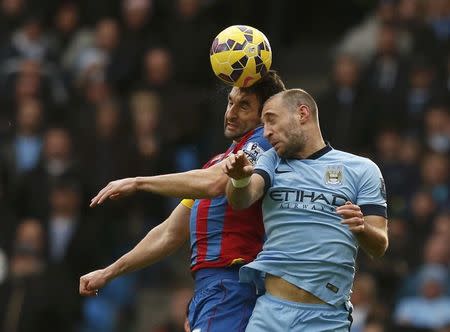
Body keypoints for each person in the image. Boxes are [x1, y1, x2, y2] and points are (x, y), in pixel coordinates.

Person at [79, 71, 286, 331]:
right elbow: (169, 233)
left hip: (234, 284)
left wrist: (139, 182)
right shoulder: (216, 162)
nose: (231, 113)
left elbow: (214, 183)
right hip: (212, 289)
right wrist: (108, 272)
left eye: (244, 106)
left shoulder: (262, 145)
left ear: (265, 116)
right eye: (230, 102)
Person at [223, 88, 389, 331]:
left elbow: (380, 246)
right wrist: (238, 180)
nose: (266, 132)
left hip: (326, 319)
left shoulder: (362, 169)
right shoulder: (271, 161)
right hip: (270, 314)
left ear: (302, 113)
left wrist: (362, 228)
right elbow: (242, 199)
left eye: (271, 119)